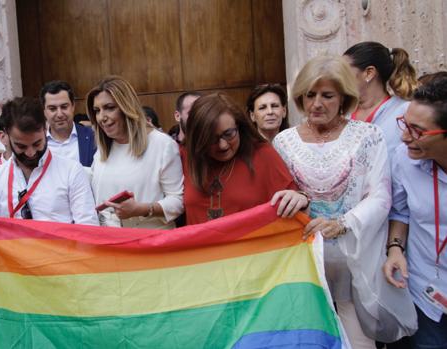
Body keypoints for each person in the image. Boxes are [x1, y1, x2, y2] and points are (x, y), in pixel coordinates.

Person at [273, 55, 393, 348]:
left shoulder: (368, 136)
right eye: (309, 95)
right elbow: (278, 195)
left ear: (344, 98)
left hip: (356, 257)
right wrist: (296, 197)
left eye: (327, 95)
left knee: (360, 340)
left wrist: (343, 223)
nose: (316, 104)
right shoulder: (284, 141)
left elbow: (380, 195)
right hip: (305, 260)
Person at [383, 77, 447, 348]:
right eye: (404, 125)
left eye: (417, 130)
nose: (404, 136)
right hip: (425, 292)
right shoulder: (403, 159)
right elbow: (400, 210)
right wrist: (395, 248)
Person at [183, 92, 306, 225]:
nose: (222, 145)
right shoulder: (187, 157)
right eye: (211, 139)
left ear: (239, 126)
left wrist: (301, 198)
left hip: (253, 245)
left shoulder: (263, 155)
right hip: (200, 244)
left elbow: (292, 204)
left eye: (229, 134)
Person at [0, 97, 98, 225]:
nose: (30, 153)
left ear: (45, 129)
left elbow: (88, 227)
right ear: (6, 137)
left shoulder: (71, 171)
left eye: (37, 143)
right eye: (21, 146)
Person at [86, 76, 184, 229]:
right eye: (97, 111)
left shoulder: (162, 144)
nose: (102, 117)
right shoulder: (102, 149)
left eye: (110, 107)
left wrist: (142, 209)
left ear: (127, 108)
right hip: (108, 242)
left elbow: (178, 201)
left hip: (149, 242)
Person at [344, 41, 418, 153]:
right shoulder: (342, 112)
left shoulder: (404, 112)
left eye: (343, 71)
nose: (337, 77)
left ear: (369, 73)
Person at [40, 80, 97, 167]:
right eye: (52, 108)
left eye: (64, 107)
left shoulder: (93, 137)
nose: (59, 114)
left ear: (73, 106)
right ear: (44, 111)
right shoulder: (37, 143)